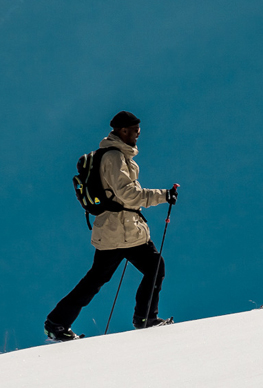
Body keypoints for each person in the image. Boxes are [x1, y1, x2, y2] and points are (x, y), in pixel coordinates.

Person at [44, 111, 179, 341]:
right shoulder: (114, 157)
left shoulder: (113, 156)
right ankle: (145, 319)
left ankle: (57, 323)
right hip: (122, 231)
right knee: (152, 267)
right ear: (123, 131)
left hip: (114, 231)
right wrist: (164, 195)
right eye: (136, 130)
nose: (138, 134)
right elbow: (128, 195)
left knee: (97, 280)